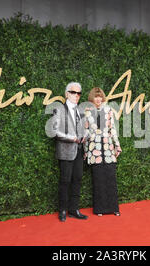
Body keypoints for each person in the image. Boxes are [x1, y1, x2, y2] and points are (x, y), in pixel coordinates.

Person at [49, 82, 88, 222]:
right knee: (65, 181)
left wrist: (85, 135)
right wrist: (72, 138)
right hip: (66, 151)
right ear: (66, 94)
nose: (76, 95)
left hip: (79, 150)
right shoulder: (59, 109)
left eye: (79, 93)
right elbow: (54, 131)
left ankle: (74, 209)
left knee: (77, 180)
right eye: (73, 92)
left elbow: (85, 129)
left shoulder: (80, 110)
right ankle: (63, 210)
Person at [83, 87, 122, 217]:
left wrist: (117, 145)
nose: (98, 99)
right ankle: (99, 209)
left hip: (108, 148)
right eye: (95, 96)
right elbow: (85, 132)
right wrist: (86, 151)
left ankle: (114, 208)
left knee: (111, 177)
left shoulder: (109, 110)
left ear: (103, 98)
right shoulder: (87, 113)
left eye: (100, 96)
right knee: (98, 179)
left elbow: (113, 129)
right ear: (92, 98)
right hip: (95, 150)